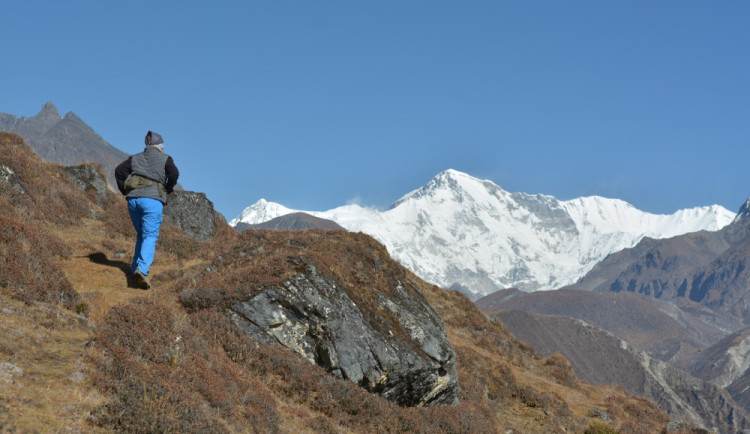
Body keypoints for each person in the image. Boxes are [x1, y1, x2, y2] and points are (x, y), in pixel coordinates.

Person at [115, 130, 179, 289]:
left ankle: (133, 271)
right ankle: (142, 270)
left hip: (133, 200)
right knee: (150, 234)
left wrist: (125, 190)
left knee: (142, 234)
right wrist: (168, 188)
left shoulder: (135, 158)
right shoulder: (166, 159)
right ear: (160, 146)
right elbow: (174, 174)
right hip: (151, 200)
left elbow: (119, 171)